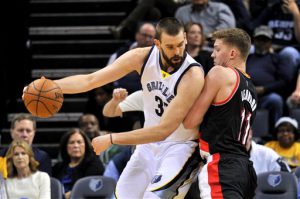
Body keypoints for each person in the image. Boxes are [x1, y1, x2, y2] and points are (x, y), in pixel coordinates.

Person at [25, 17, 205, 198]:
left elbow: (163, 130)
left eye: (181, 44)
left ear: (185, 39)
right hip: (148, 146)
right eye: (170, 47)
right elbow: (91, 80)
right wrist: (46, 87)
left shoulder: (193, 75)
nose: (178, 52)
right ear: (157, 44)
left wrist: (112, 139)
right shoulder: (141, 57)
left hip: (179, 148)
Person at [183, 28, 257, 199]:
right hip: (244, 170)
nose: (212, 55)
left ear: (232, 53)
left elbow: (190, 122)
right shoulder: (251, 88)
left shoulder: (220, 73)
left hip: (222, 165)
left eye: (217, 49)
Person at [52, 128, 104, 199]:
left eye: (79, 142)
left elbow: (89, 189)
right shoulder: (58, 167)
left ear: (86, 145)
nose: (76, 146)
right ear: (65, 146)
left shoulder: (95, 165)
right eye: (71, 142)